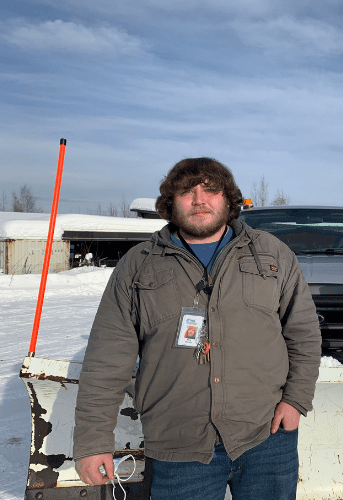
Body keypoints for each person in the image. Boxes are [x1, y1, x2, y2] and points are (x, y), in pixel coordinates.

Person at [72, 157, 322, 500]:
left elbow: (304, 334)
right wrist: (92, 441)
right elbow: (107, 357)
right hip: (178, 446)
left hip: (266, 437)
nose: (199, 199)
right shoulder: (138, 264)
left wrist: (295, 400)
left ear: (229, 199)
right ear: (169, 203)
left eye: (210, 190)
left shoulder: (271, 253)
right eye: (187, 191)